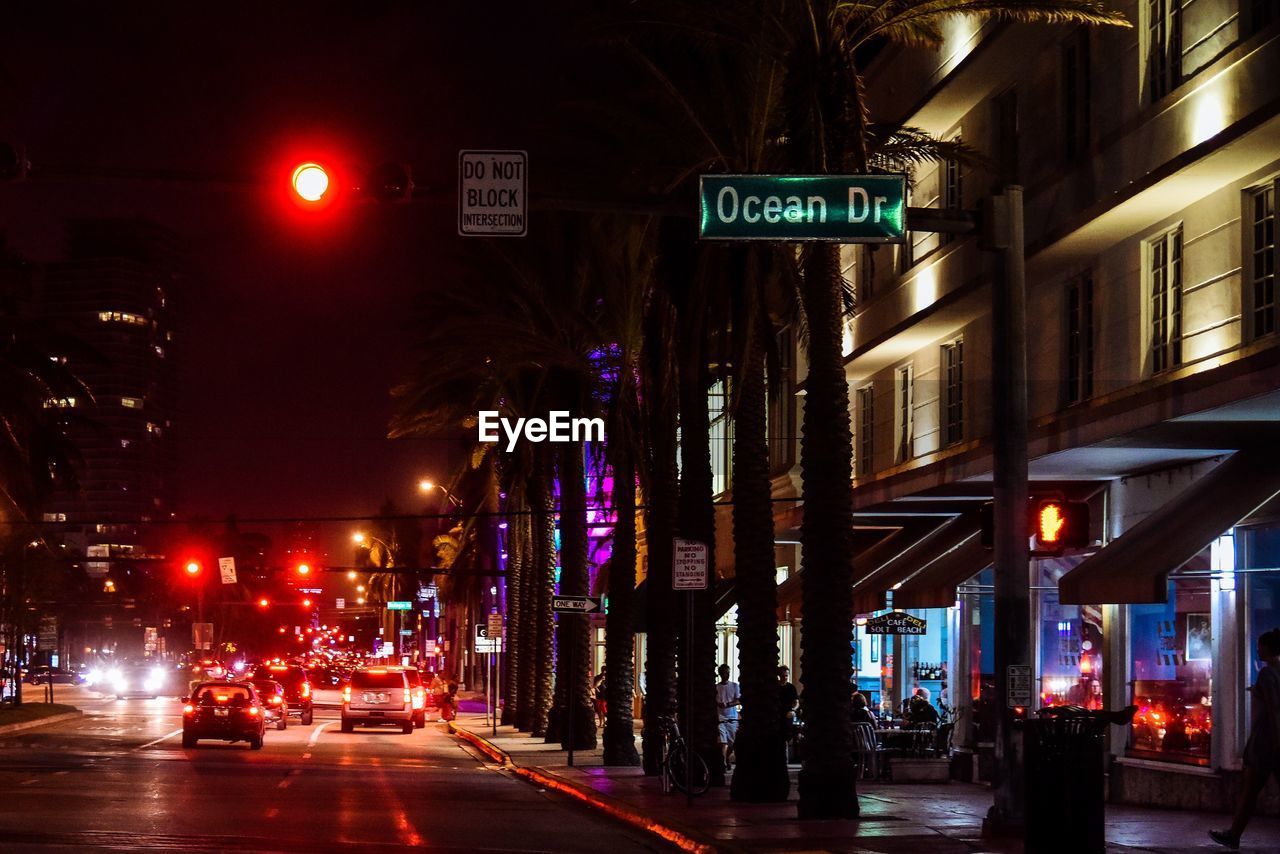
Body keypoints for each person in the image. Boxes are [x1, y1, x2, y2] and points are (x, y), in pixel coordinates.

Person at [1211, 628, 1280, 849]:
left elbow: (1273, 708)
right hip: (1273, 738)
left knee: (1250, 790)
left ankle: (1233, 835)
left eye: (1260, 645)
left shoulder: (1267, 674)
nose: (1257, 649)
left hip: (1267, 740)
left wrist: (1276, 739)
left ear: (1268, 648)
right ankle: (1233, 834)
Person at [715, 664, 741, 770]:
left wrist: (728, 704)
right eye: (725, 672)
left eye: (728, 672)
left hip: (732, 718)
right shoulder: (716, 687)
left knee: (731, 742)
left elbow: (738, 699)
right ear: (720, 674)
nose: (727, 674)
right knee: (723, 742)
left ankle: (725, 759)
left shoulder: (735, 686)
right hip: (720, 718)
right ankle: (723, 763)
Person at [778, 666, 799, 761]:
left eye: (786, 676)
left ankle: (784, 760)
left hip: (787, 716)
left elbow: (796, 702)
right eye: (783, 676)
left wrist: (793, 710)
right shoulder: (775, 687)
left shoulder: (791, 688)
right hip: (776, 716)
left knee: (786, 737)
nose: (785, 678)